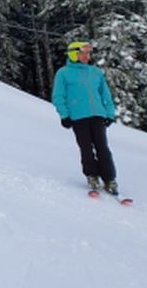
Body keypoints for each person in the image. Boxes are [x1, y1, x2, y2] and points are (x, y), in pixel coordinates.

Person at [52, 41, 120, 195]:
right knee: (86, 148)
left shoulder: (95, 72)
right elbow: (58, 96)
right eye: (82, 53)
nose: (86, 56)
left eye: (88, 53)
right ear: (73, 54)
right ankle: (92, 175)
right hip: (78, 117)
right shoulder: (63, 73)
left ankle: (109, 179)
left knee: (102, 147)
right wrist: (64, 115)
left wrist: (109, 114)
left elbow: (105, 94)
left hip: (97, 115)